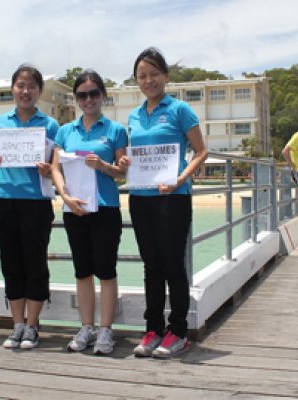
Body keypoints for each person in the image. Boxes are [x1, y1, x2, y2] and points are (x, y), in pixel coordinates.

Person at [118, 47, 208, 358]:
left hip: (173, 199)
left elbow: (201, 152)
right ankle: (153, 329)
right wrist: (128, 160)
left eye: (154, 74)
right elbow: (137, 155)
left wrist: (181, 179)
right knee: (151, 267)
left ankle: (178, 331)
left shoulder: (181, 110)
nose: (148, 80)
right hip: (140, 198)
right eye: (142, 76)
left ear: (165, 76)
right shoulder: (133, 115)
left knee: (173, 266)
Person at [51, 70, 127, 355]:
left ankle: (106, 330)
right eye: (82, 94)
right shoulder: (65, 131)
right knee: (82, 271)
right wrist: (65, 196)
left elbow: (122, 172)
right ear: (76, 99)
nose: (88, 99)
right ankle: (86, 326)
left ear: (103, 96)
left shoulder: (116, 130)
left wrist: (103, 167)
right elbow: (56, 169)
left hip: (106, 209)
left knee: (106, 270)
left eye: (94, 93)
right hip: (75, 209)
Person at [0, 64, 59, 349]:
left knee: (35, 262)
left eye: (31, 86)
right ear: (12, 89)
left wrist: (48, 171)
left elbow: (57, 168)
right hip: (3, 200)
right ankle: (17, 325)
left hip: (36, 203)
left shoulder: (50, 125)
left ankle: (32, 326)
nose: (25, 91)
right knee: (10, 262)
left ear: (39, 91)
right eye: (20, 85)